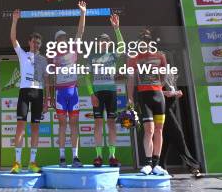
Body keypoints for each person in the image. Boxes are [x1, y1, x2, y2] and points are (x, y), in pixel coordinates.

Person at [10, 9, 49, 174]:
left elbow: (46, 80)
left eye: (38, 43)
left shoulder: (43, 59)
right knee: (20, 126)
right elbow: (13, 38)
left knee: (35, 127)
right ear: (29, 43)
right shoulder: (22, 54)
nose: (36, 45)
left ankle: (32, 162)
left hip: (38, 93)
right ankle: (17, 163)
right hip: (25, 92)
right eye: (33, 42)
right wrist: (15, 20)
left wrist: (47, 100)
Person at [85, 13, 125, 167]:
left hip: (111, 92)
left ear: (109, 44)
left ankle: (112, 156)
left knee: (111, 124)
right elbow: (87, 76)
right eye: (102, 41)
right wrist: (91, 93)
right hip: (98, 93)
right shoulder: (92, 57)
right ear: (98, 43)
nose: (104, 43)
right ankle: (98, 156)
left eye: (106, 41)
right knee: (98, 124)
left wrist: (117, 29)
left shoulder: (113, 55)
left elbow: (122, 46)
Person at [127, 29, 168, 176]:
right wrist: (130, 97)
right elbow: (131, 79)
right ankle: (148, 163)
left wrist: (159, 87)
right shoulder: (134, 57)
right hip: (144, 96)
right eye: (142, 40)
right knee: (149, 130)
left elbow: (164, 75)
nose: (144, 42)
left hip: (158, 96)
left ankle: (157, 164)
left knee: (159, 130)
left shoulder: (160, 56)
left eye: (147, 40)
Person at [52, 1, 86, 168]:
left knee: (73, 124)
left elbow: (80, 32)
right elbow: (51, 78)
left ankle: (75, 157)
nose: (62, 40)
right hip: (60, 93)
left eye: (64, 38)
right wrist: (50, 97)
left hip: (73, 92)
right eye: (59, 39)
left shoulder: (74, 49)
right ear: (56, 41)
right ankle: (62, 158)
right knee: (62, 124)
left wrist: (83, 14)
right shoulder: (53, 56)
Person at [159, 73, 203, 178]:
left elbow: (171, 90)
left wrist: (176, 93)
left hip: (171, 107)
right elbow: (150, 92)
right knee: (178, 134)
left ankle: (159, 166)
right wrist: (166, 93)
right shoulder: (154, 74)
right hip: (164, 109)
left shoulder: (170, 75)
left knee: (165, 139)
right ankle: (193, 166)